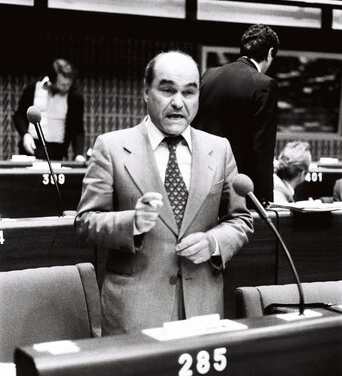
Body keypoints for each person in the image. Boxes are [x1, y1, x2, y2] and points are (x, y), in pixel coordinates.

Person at [75, 50, 253, 335]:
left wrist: (213, 242)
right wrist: (131, 223)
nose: (178, 102)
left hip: (202, 308)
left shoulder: (219, 149)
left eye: (189, 92)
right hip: (135, 310)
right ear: (146, 92)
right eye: (167, 90)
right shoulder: (111, 147)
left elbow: (240, 220)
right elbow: (86, 222)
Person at [193, 23, 280, 207]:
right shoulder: (265, 84)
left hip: (200, 181)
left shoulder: (209, 75)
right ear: (271, 52)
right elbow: (262, 146)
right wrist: (263, 197)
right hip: (238, 189)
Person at [13, 58, 86, 161]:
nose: (66, 88)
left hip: (57, 150)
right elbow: (19, 116)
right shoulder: (33, 88)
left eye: (68, 84)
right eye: (62, 85)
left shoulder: (75, 96)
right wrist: (25, 134)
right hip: (32, 147)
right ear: (52, 80)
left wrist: (78, 154)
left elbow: (78, 128)